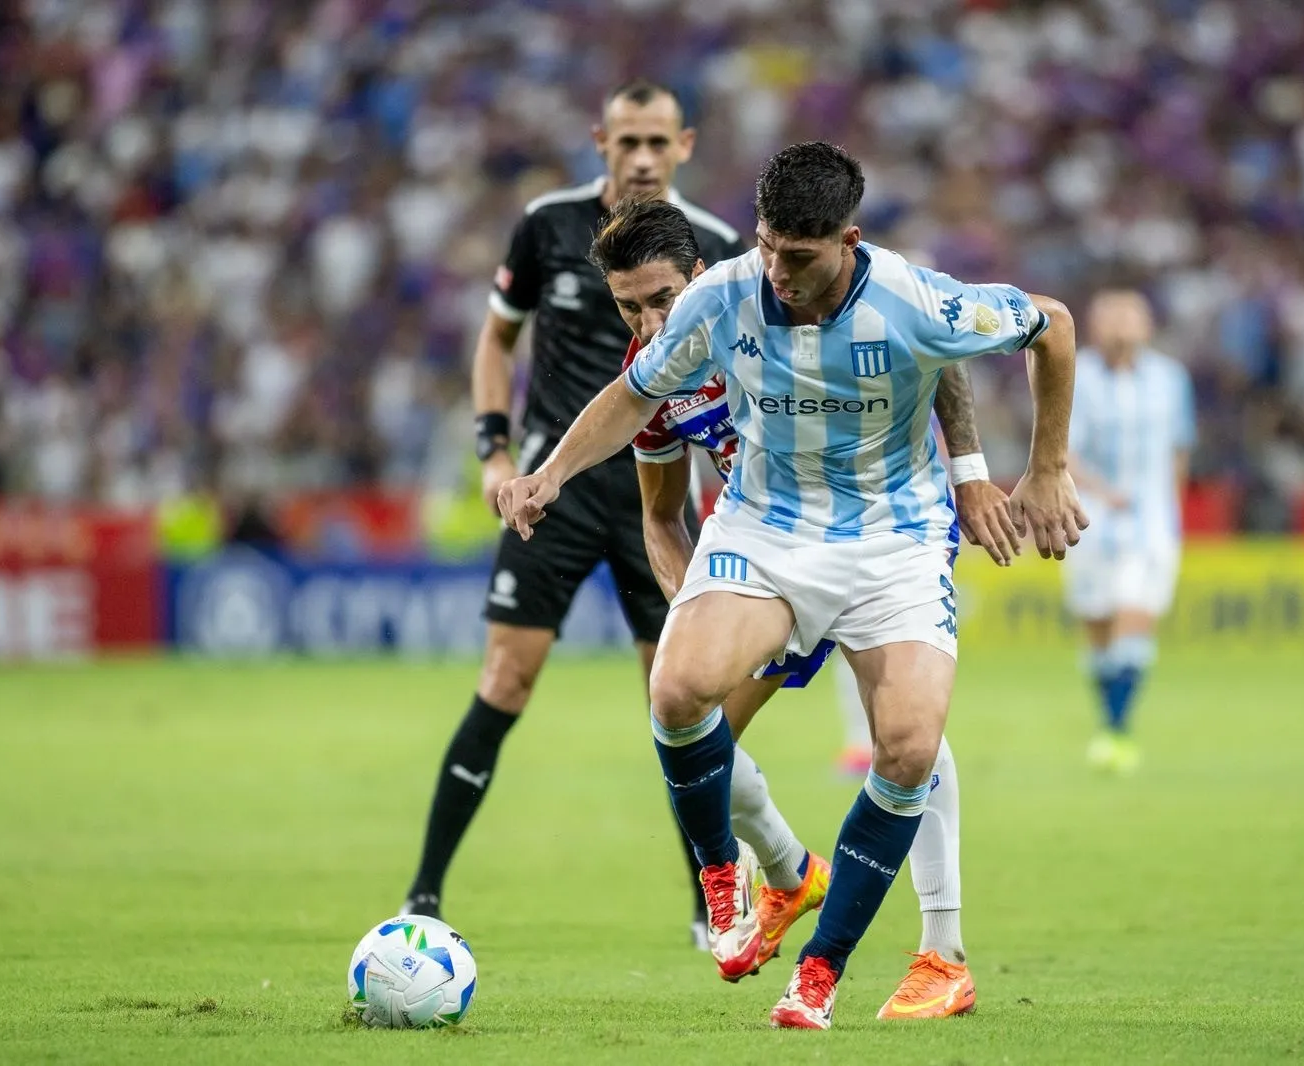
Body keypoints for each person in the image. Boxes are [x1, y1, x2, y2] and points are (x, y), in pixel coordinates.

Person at [499, 142, 1086, 1029]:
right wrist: (548, 474)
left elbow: (1038, 328)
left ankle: (891, 957)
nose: (774, 270)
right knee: (681, 697)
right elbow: (636, 414)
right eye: (766, 245)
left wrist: (1032, 469)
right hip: (766, 528)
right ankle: (752, 874)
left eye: (797, 256)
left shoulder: (912, 298)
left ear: (847, 240)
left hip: (889, 538)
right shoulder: (718, 299)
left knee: (911, 746)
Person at [590, 196, 1027, 1018]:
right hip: (768, 552)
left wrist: (969, 471)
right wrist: (702, 601)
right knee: (693, 716)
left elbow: (939, 351)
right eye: (630, 308)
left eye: (659, 302)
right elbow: (659, 516)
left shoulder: (780, 305)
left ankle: (942, 946)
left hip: (875, 530)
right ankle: (791, 874)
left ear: (697, 276)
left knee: (906, 733)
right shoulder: (659, 369)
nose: (650, 323)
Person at [399, 79, 744, 950]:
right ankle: (424, 896)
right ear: (601, 139)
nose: (640, 158)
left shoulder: (721, 247)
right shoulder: (547, 223)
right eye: (626, 141)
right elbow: (495, 339)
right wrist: (495, 452)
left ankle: (713, 905)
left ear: (685, 146)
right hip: (556, 488)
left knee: (679, 697)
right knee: (504, 680)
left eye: (657, 143)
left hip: (657, 497)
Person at [1062, 290, 1195, 774]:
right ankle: (1110, 721)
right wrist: (1101, 489)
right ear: (1095, 326)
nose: (1121, 325)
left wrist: (1172, 508)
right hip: (1089, 518)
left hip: (1152, 522)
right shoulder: (1075, 375)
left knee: (1134, 620)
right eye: (1111, 316)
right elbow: (1060, 448)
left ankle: (1117, 731)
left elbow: (1180, 447)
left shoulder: (1170, 379)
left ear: (1148, 325)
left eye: (1130, 316)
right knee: (1098, 627)